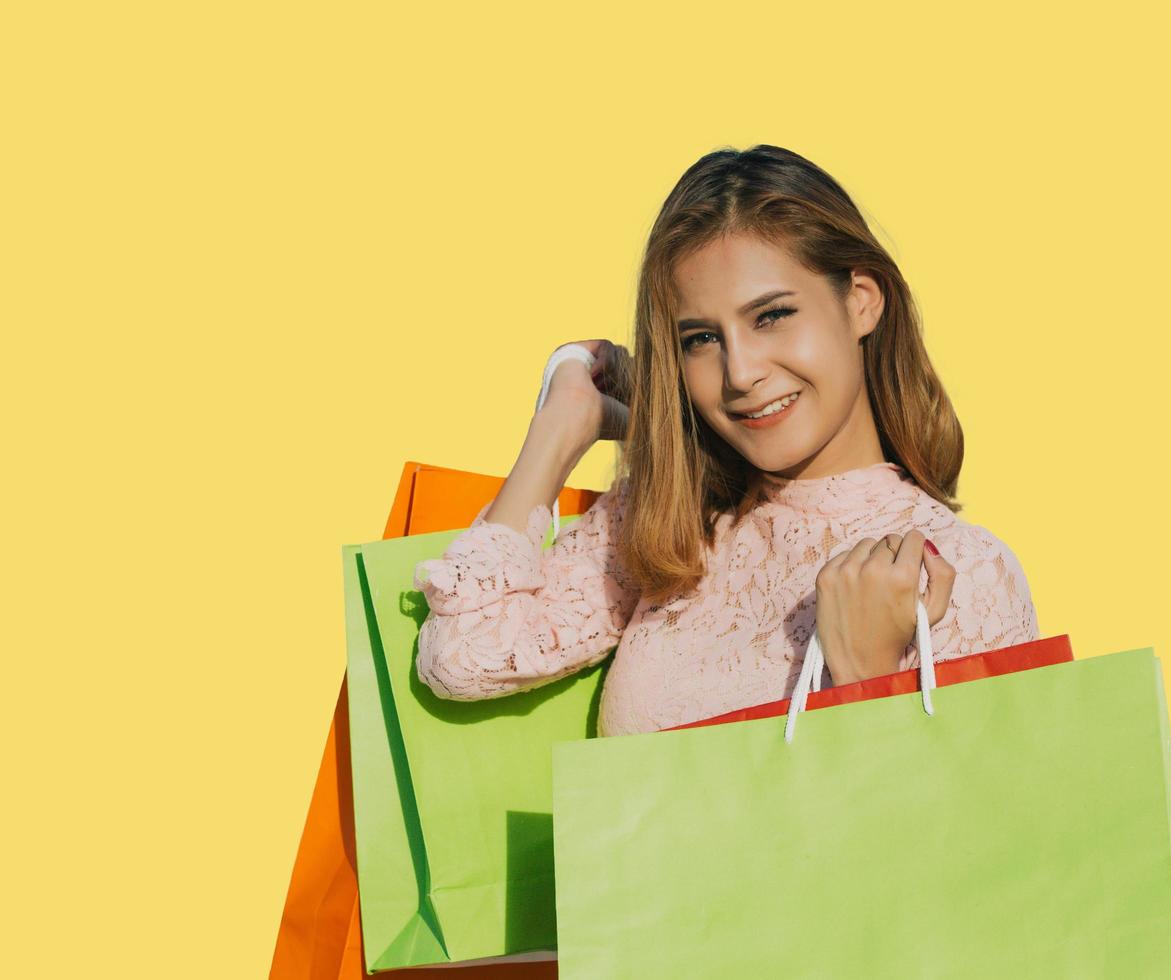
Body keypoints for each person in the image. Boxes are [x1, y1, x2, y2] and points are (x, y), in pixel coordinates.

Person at [412, 144, 1039, 737]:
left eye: (771, 316)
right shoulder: (671, 527)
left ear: (862, 303)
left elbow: (968, 836)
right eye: (701, 340)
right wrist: (561, 425)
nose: (741, 373)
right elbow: (463, 658)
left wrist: (862, 679)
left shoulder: (960, 574)